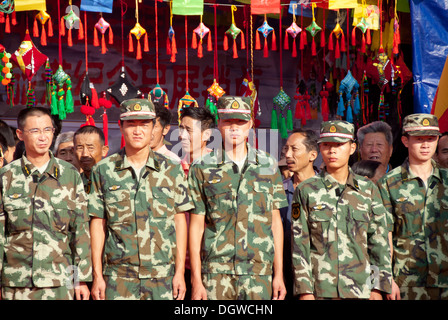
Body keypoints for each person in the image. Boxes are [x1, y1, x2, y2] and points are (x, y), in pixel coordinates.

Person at [89, 98, 193, 300]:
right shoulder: (103, 170)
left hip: (162, 276)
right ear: (121, 126)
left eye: (144, 124)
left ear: (154, 127)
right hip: (118, 277)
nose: (138, 131)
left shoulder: (171, 170)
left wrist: (180, 272)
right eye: (131, 124)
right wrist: (97, 275)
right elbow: (98, 223)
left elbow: (180, 222)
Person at [188, 96, 288, 300]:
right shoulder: (202, 167)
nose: (234, 128)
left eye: (240, 122)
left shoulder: (267, 164)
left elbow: (275, 221)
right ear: (219, 124)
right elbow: (197, 225)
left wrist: (278, 274)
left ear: (250, 124)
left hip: (258, 271)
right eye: (228, 121)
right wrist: (196, 280)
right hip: (216, 272)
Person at [292, 120, 392, 300]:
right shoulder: (306, 190)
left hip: (361, 290)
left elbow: (378, 242)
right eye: (327, 145)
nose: (332, 151)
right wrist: (305, 291)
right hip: (320, 290)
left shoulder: (368, 189)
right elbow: (300, 246)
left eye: (339, 145)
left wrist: (377, 288)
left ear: (352, 147)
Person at [0, 107, 91, 300]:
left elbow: (80, 230)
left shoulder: (70, 174)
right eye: (35, 131)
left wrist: (80, 279)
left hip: (60, 282)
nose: (43, 137)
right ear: (20, 134)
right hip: (17, 284)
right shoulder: (7, 176)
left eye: (47, 130)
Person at [377, 114, 448, 300]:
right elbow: (384, 236)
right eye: (419, 139)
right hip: (407, 282)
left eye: (431, 139)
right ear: (405, 141)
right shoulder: (389, 183)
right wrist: (386, 279)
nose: (426, 145)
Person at [280, 128, 319, 299]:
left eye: (294, 149)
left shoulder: (327, 190)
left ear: (312, 155)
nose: (288, 154)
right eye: (286, 149)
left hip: (320, 279)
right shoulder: (278, 190)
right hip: (284, 276)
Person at [178, 106, 215, 175]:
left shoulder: (220, 167)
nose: (182, 136)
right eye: (181, 129)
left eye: (189, 130)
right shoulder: (175, 168)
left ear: (206, 134)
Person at [73, 125, 109, 191]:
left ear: (104, 150)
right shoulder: (73, 184)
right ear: (74, 151)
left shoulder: (116, 179)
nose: (85, 154)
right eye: (80, 148)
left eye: (90, 148)